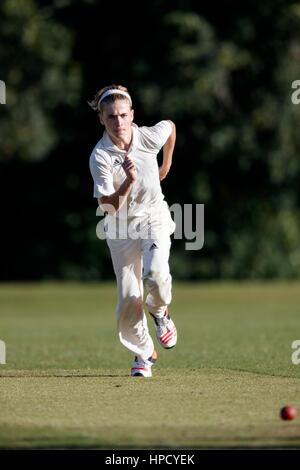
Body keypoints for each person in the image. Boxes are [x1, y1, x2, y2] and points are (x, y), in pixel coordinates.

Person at [88, 84, 177, 377]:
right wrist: (127, 181)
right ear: (101, 118)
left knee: (154, 274)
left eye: (124, 115)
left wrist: (166, 165)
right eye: (111, 117)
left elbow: (171, 127)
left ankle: (160, 311)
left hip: (154, 218)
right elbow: (109, 208)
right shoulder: (100, 156)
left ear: (132, 115)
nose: (119, 123)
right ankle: (143, 353)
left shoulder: (148, 136)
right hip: (120, 227)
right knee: (128, 298)